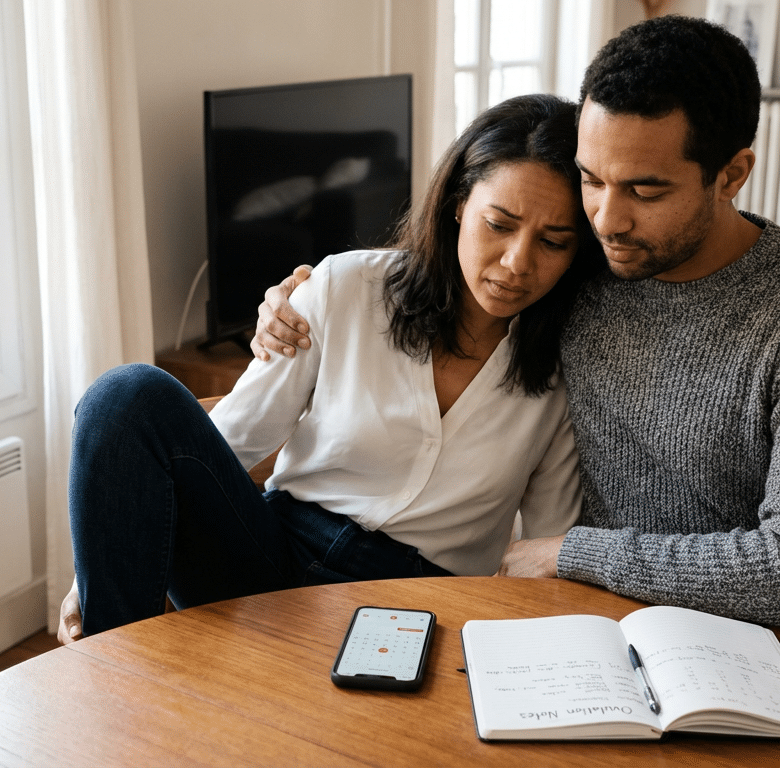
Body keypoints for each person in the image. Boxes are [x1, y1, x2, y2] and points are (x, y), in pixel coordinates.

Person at [251, 16, 780, 635]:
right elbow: (464, 256)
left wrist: (571, 554)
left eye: (644, 191)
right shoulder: (576, 267)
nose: (606, 219)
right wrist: (304, 297)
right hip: (606, 627)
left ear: (731, 175)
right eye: (591, 179)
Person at [58, 93, 605, 643]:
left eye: (553, 242)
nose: (517, 263)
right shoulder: (347, 286)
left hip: (420, 607)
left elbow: (547, 544)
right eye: (499, 224)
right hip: (268, 557)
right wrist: (96, 566)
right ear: (459, 203)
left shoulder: (566, 373)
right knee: (125, 396)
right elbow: (232, 439)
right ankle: (114, 675)